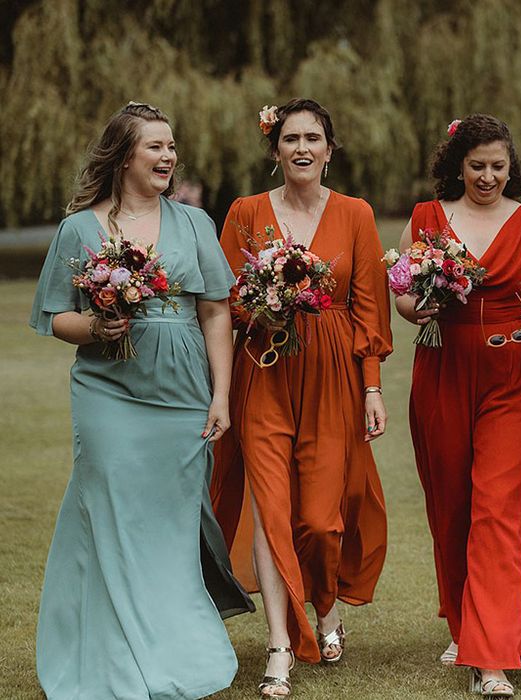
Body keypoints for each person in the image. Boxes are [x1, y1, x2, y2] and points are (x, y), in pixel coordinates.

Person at [29, 101, 254, 699]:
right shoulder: (80, 229)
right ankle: (102, 652)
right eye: (155, 146)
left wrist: (221, 396)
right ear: (123, 154)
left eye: (171, 146)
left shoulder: (195, 224)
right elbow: (56, 318)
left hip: (183, 396)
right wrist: (97, 327)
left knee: (169, 523)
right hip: (108, 393)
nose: (168, 156)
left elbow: (215, 314)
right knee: (107, 508)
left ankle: (169, 647)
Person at [210, 98, 392, 698]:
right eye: (290, 139)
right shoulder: (245, 212)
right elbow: (224, 301)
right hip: (263, 372)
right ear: (275, 149)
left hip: (334, 372)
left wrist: (372, 386)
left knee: (319, 517)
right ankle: (280, 646)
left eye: (313, 138)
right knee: (271, 506)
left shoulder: (357, 214)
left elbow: (369, 307)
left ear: (330, 149)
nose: (302, 148)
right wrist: (265, 301)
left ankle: (327, 605)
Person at [397, 114, 521, 697]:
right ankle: (464, 620)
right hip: (442, 365)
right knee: (453, 502)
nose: (488, 176)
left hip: (512, 373)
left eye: (498, 166)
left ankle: (491, 658)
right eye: (477, 165)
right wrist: (415, 308)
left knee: (497, 505)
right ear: (457, 165)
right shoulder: (427, 218)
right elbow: (408, 297)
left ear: (511, 168)